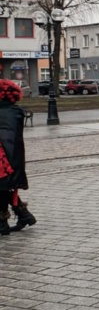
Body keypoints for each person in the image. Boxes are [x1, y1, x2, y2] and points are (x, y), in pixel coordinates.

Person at [0, 79, 35, 236]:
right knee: (5, 187)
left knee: (2, 188)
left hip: (2, 157)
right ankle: (24, 215)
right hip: (13, 156)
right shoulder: (16, 111)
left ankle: (2, 224)